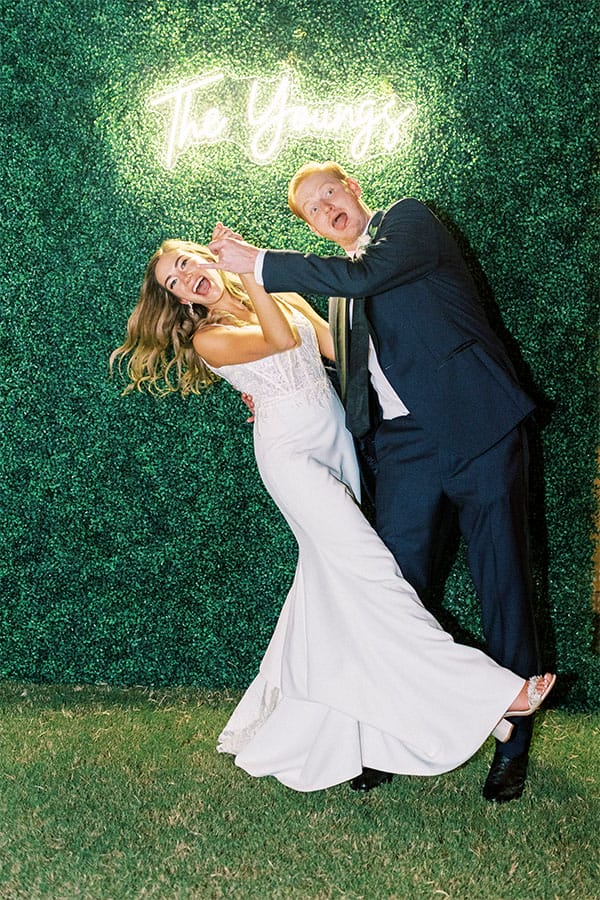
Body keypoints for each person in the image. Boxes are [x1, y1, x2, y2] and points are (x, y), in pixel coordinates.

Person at [110, 238, 554, 795]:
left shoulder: (282, 296)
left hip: (337, 448)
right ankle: (493, 698)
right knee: (373, 574)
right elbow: (274, 340)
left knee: (331, 595)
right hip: (292, 459)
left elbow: (342, 357)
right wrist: (253, 274)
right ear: (180, 302)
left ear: (204, 255)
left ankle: (347, 727)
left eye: (183, 265)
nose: (184, 280)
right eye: (173, 284)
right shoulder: (208, 337)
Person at [207, 162, 543, 803]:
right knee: (388, 595)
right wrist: (271, 395)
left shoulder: (408, 223)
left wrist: (260, 263)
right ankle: (387, 736)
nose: (325, 206)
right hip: (401, 449)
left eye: (330, 192)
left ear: (354, 190)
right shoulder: (336, 293)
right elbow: (324, 359)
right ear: (307, 222)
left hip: (479, 429)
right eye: (310, 207)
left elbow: (368, 275)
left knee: (502, 582)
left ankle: (513, 745)